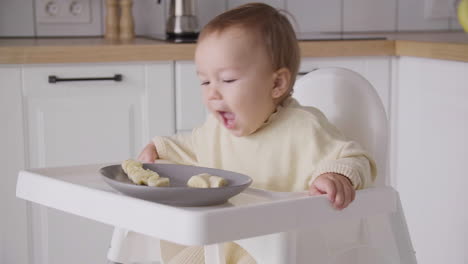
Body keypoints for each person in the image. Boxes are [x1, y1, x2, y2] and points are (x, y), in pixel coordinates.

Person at [137, 3, 376, 263]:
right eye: (205, 81)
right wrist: (158, 149)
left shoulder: (304, 128)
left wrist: (336, 175)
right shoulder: (215, 131)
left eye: (227, 80)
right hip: (224, 242)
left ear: (276, 84)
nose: (212, 93)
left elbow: (355, 157)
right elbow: (189, 146)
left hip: (283, 249)